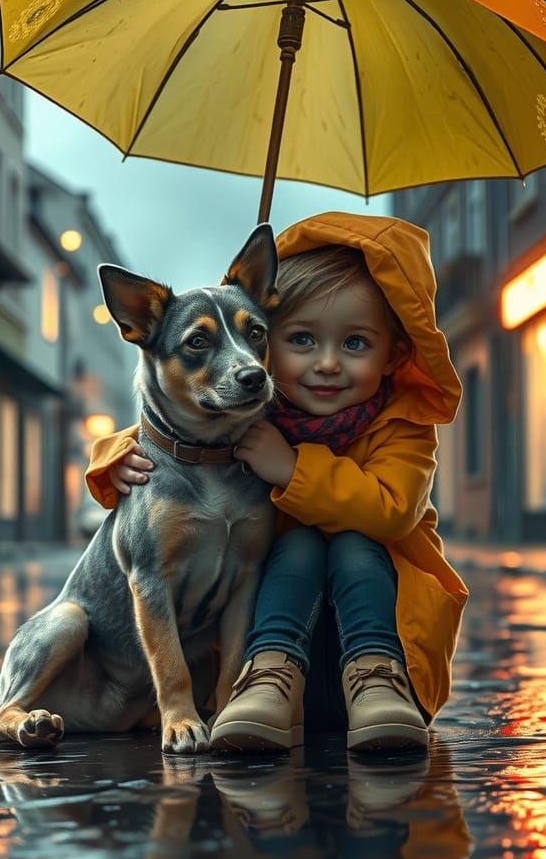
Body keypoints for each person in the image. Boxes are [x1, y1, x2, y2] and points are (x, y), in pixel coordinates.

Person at [85, 212, 467, 752]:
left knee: (352, 546)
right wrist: (111, 458)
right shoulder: (253, 413)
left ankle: (376, 677)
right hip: (284, 675)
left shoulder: (403, 428)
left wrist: (291, 469)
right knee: (298, 548)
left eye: (356, 343)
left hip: (391, 655)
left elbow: (392, 511)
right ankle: (264, 677)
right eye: (302, 339)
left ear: (394, 355)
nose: (327, 363)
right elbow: (170, 435)